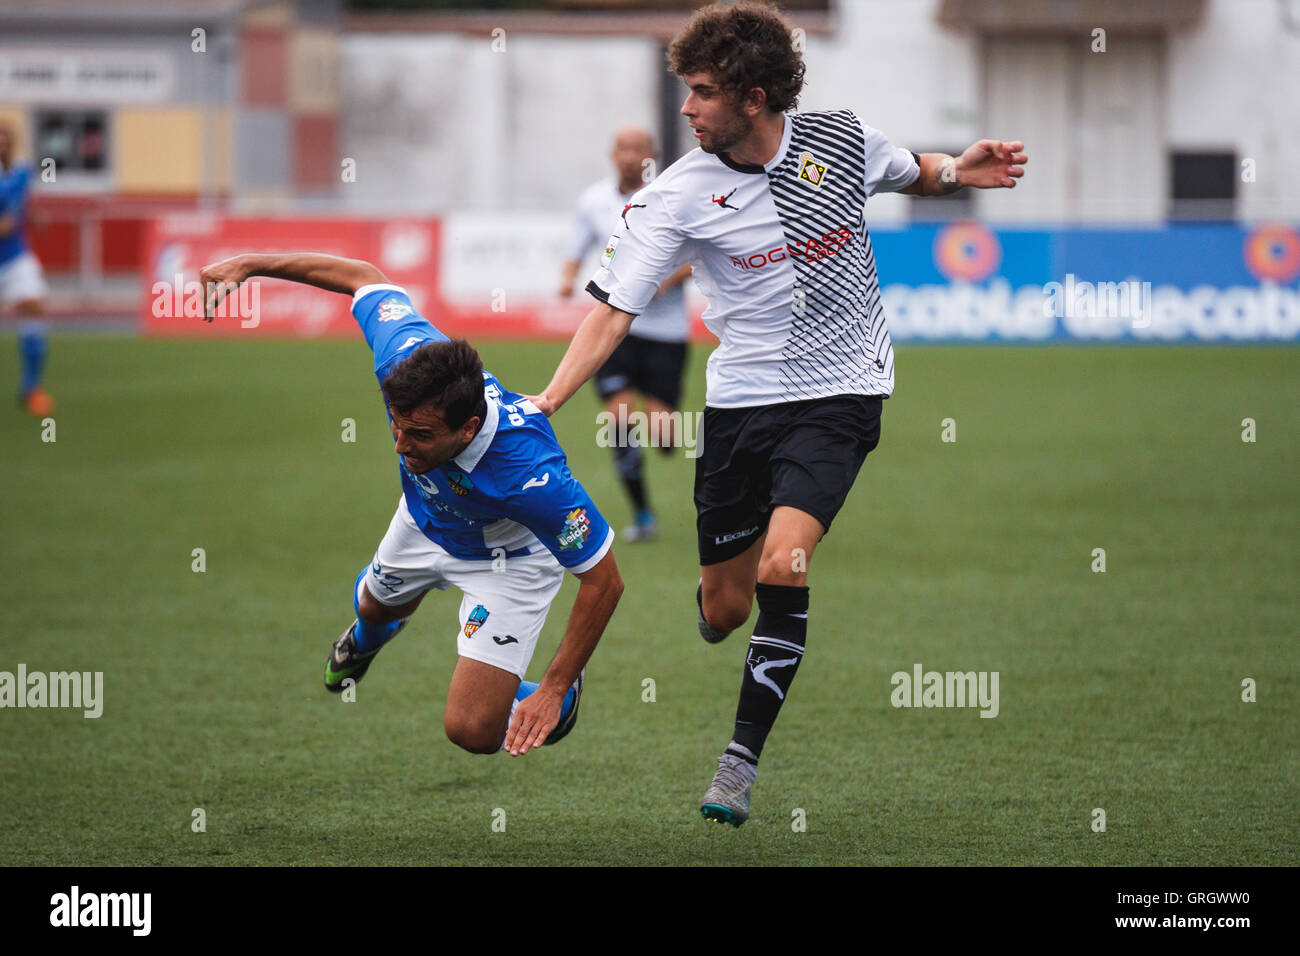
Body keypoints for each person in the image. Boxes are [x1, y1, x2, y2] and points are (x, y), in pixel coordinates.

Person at [530, 0, 1026, 822]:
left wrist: (957, 169)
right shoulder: (676, 195)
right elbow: (613, 308)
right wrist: (551, 397)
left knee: (783, 565)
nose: (684, 109)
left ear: (754, 97)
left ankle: (738, 764)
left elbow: (910, 169)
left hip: (843, 391)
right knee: (724, 610)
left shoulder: (835, 139)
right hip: (741, 404)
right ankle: (717, 607)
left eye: (701, 92)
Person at [199, 252, 623, 757]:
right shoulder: (407, 353)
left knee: (472, 732)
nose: (399, 445)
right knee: (372, 607)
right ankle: (365, 640)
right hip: (424, 522)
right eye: (396, 425)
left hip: (508, 563)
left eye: (419, 434)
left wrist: (553, 687)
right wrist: (249, 265)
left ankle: (561, 702)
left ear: (468, 428)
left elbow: (605, 581)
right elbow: (363, 277)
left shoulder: (532, 475)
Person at [559, 126, 693, 542]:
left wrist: (659, 283)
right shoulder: (594, 203)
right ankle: (643, 515)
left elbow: (695, 256)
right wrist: (566, 279)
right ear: (612, 153)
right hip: (617, 328)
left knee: (663, 431)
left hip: (667, 333)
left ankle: (674, 439)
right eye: (624, 148)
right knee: (618, 422)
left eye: (639, 149)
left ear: (651, 154)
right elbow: (575, 251)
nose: (631, 156)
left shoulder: (672, 197)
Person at [0, 122, 54, 418]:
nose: (2, 145)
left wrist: (35, 216)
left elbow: (23, 204)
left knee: (33, 306)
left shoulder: (22, 172)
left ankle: (31, 388)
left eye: (6, 140)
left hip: (16, 257)